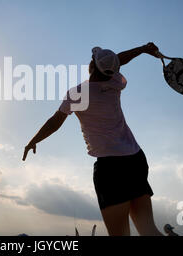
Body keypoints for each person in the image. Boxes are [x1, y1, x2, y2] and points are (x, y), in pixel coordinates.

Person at [23, 43, 164, 236]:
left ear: (91, 66)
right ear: (112, 71)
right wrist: (143, 49)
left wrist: (34, 140)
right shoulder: (115, 83)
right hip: (136, 159)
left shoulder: (78, 94)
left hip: (110, 168)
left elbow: (55, 122)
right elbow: (117, 61)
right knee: (148, 229)